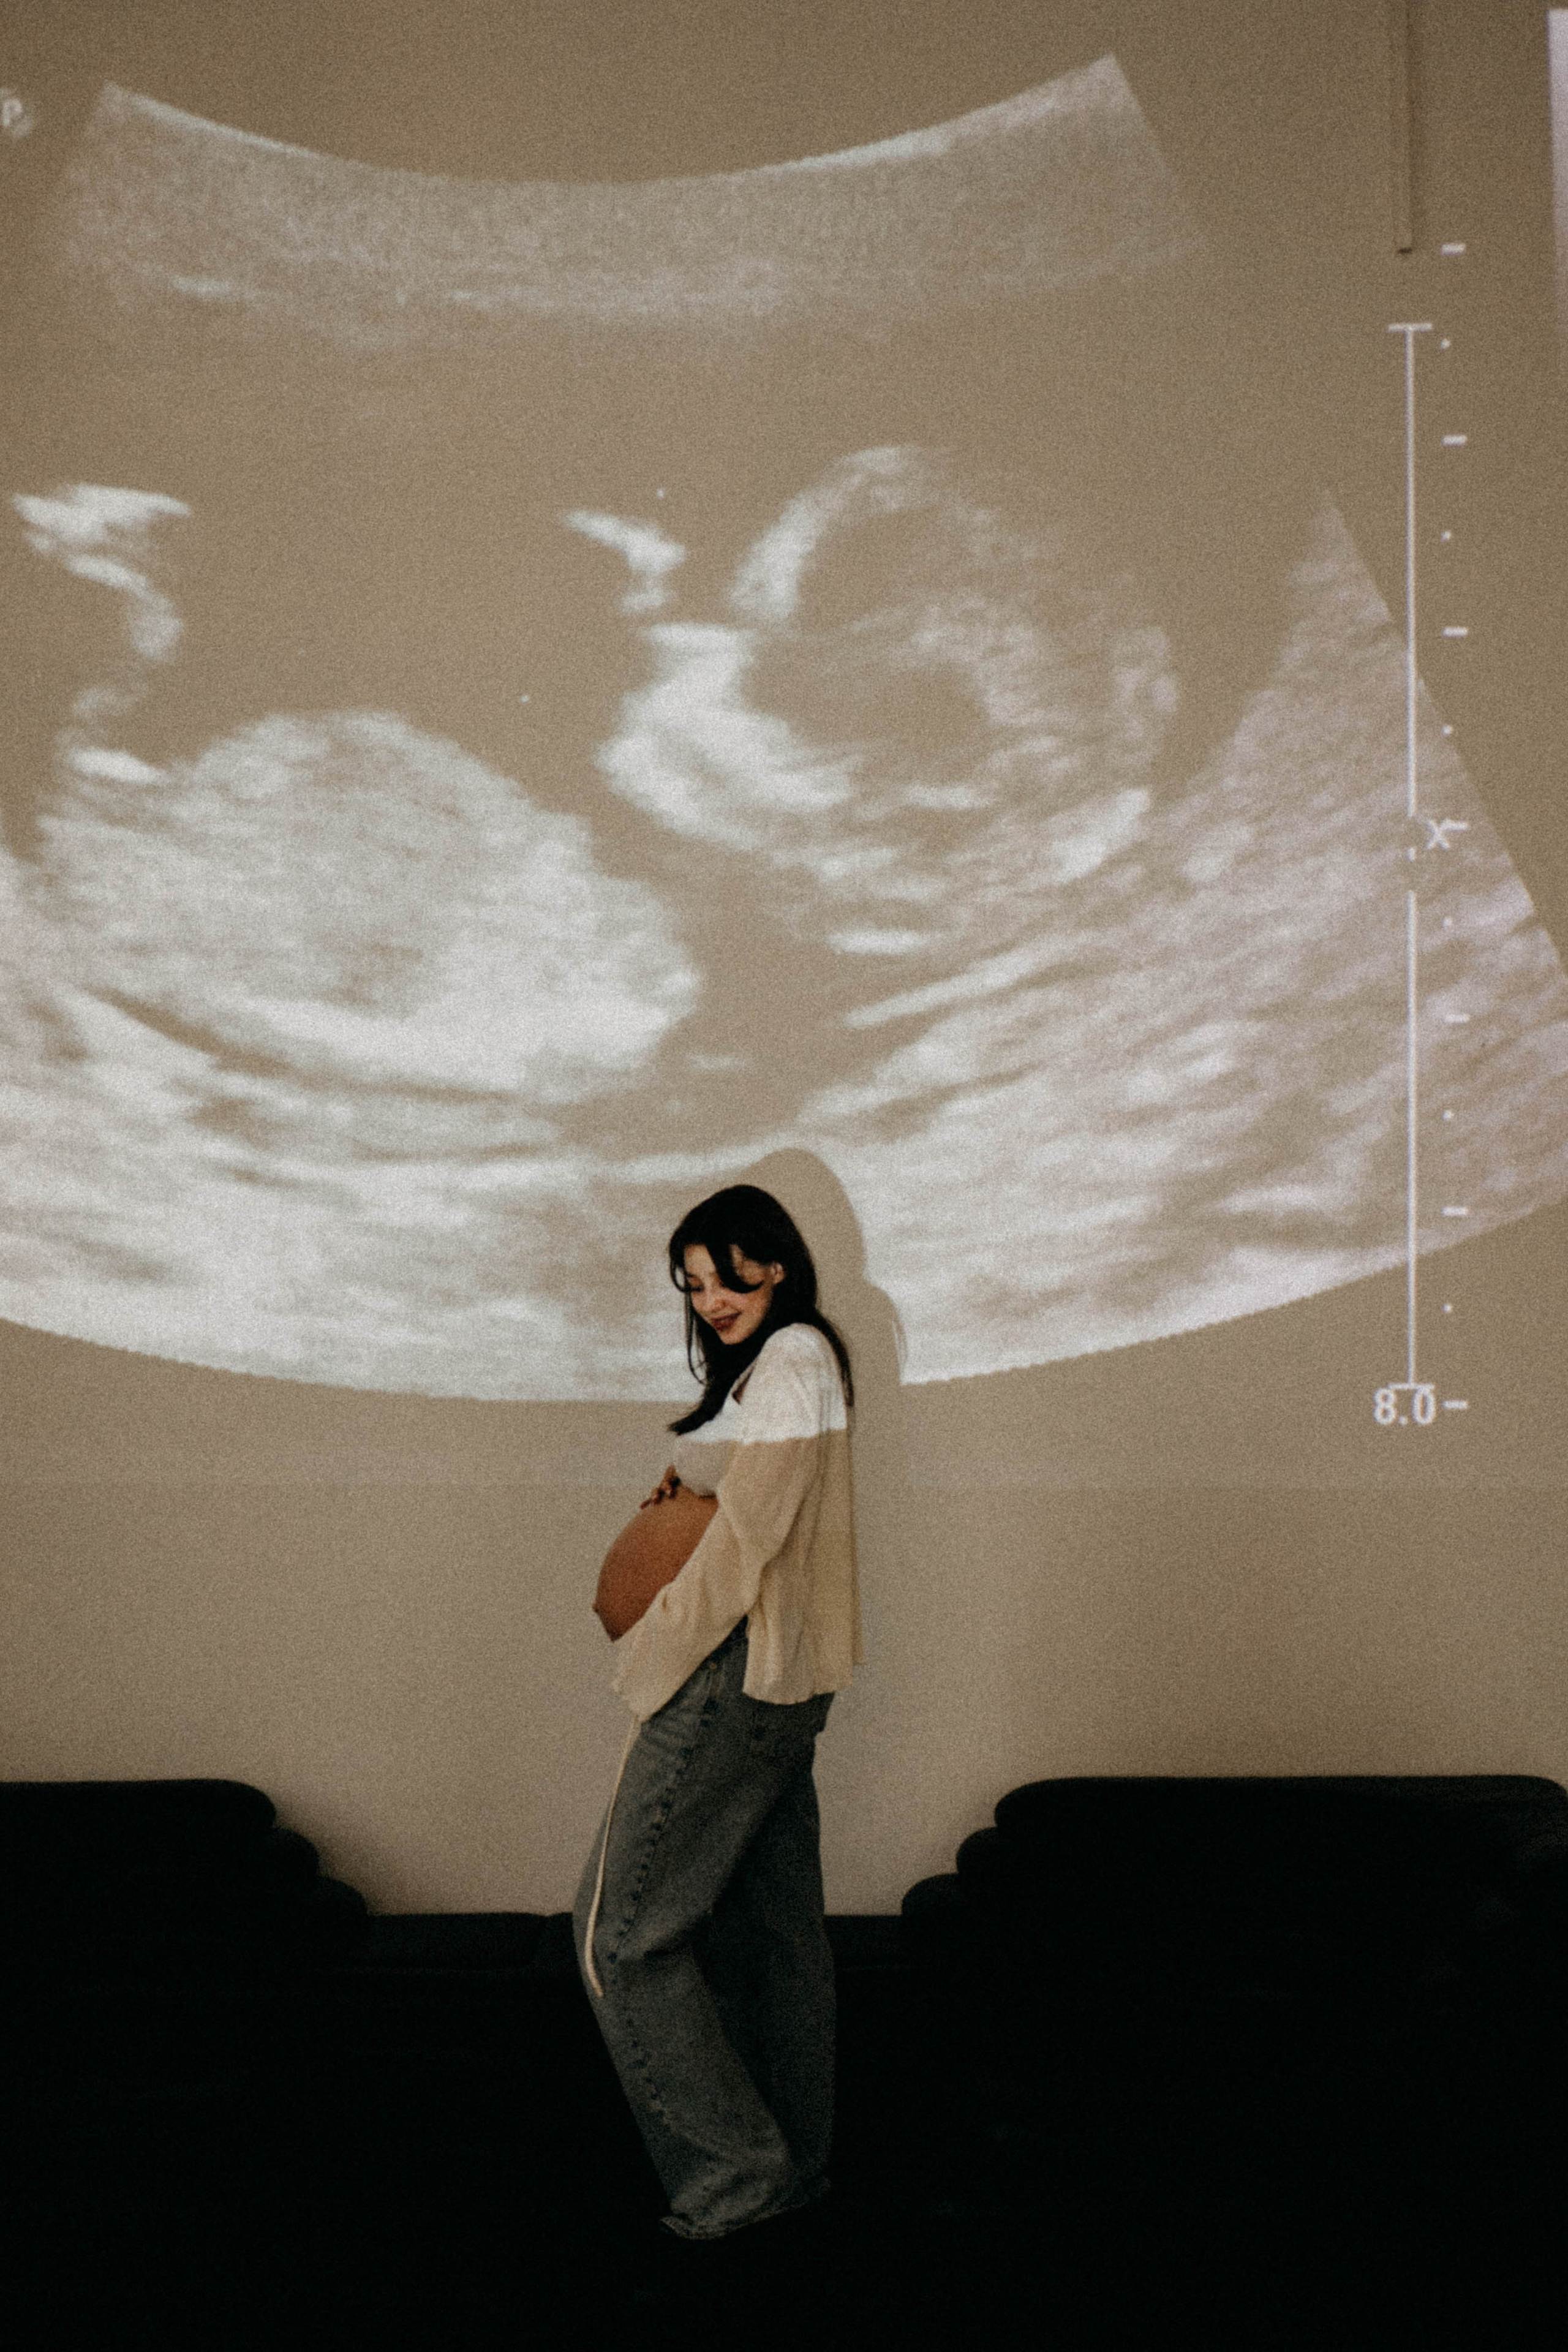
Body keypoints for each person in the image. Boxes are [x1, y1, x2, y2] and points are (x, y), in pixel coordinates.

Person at [571, 1183, 861, 2304]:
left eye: (727, 1272)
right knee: (771, 1934)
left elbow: (742, 1549)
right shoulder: (796, 1364)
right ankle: (791, 2172)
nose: (711, 1297)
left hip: (732, 1675)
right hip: (782, 1683)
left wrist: (647, 1661)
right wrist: (684, 1494)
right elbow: (752, 1516)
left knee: (622, 1938)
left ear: (775, 1264)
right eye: (692, 1283)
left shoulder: (791, 1358)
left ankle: (738, 2180)